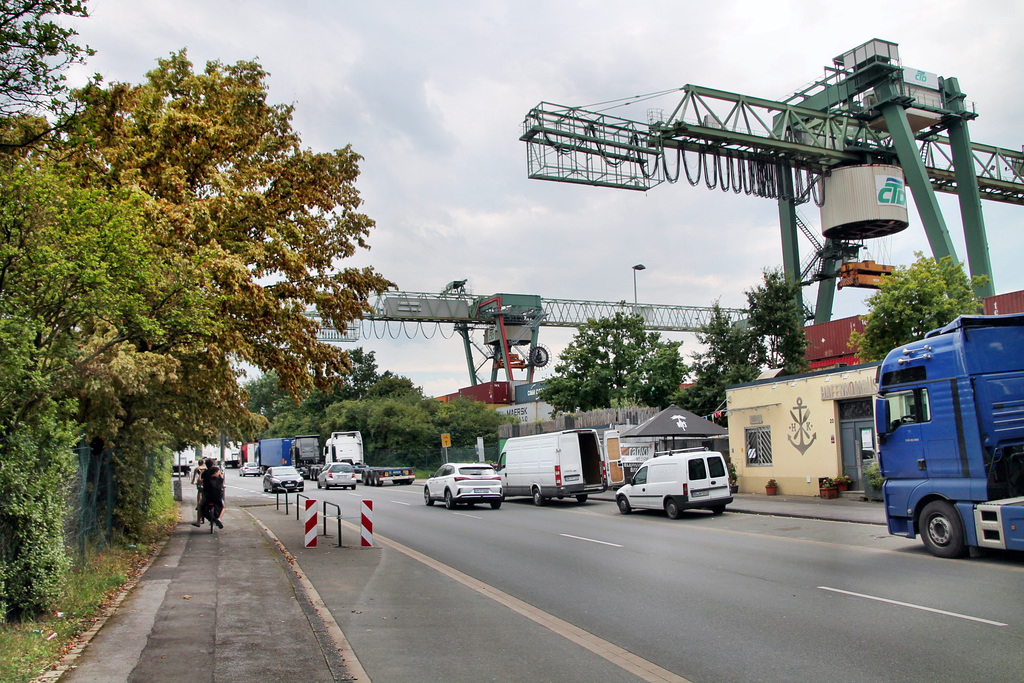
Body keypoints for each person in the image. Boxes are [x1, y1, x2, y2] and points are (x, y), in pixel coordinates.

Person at [202, 462, 225, 528]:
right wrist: (220, 475)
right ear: (215, 472)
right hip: (218, 498)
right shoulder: (220, 480)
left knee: (201, 505)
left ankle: (211, 519)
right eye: (218, 472)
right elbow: (222, 485)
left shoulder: (206, 480)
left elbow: (201, 483)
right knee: (223, 506)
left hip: (208, 497)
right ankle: (219, 519)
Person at [190, 458, 208, 527]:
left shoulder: (197, 469)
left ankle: (198, 520)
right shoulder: (207, 468)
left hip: (200, 484)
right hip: (206, 484)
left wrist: (193, 482)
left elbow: (194, 478)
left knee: (199, 498)